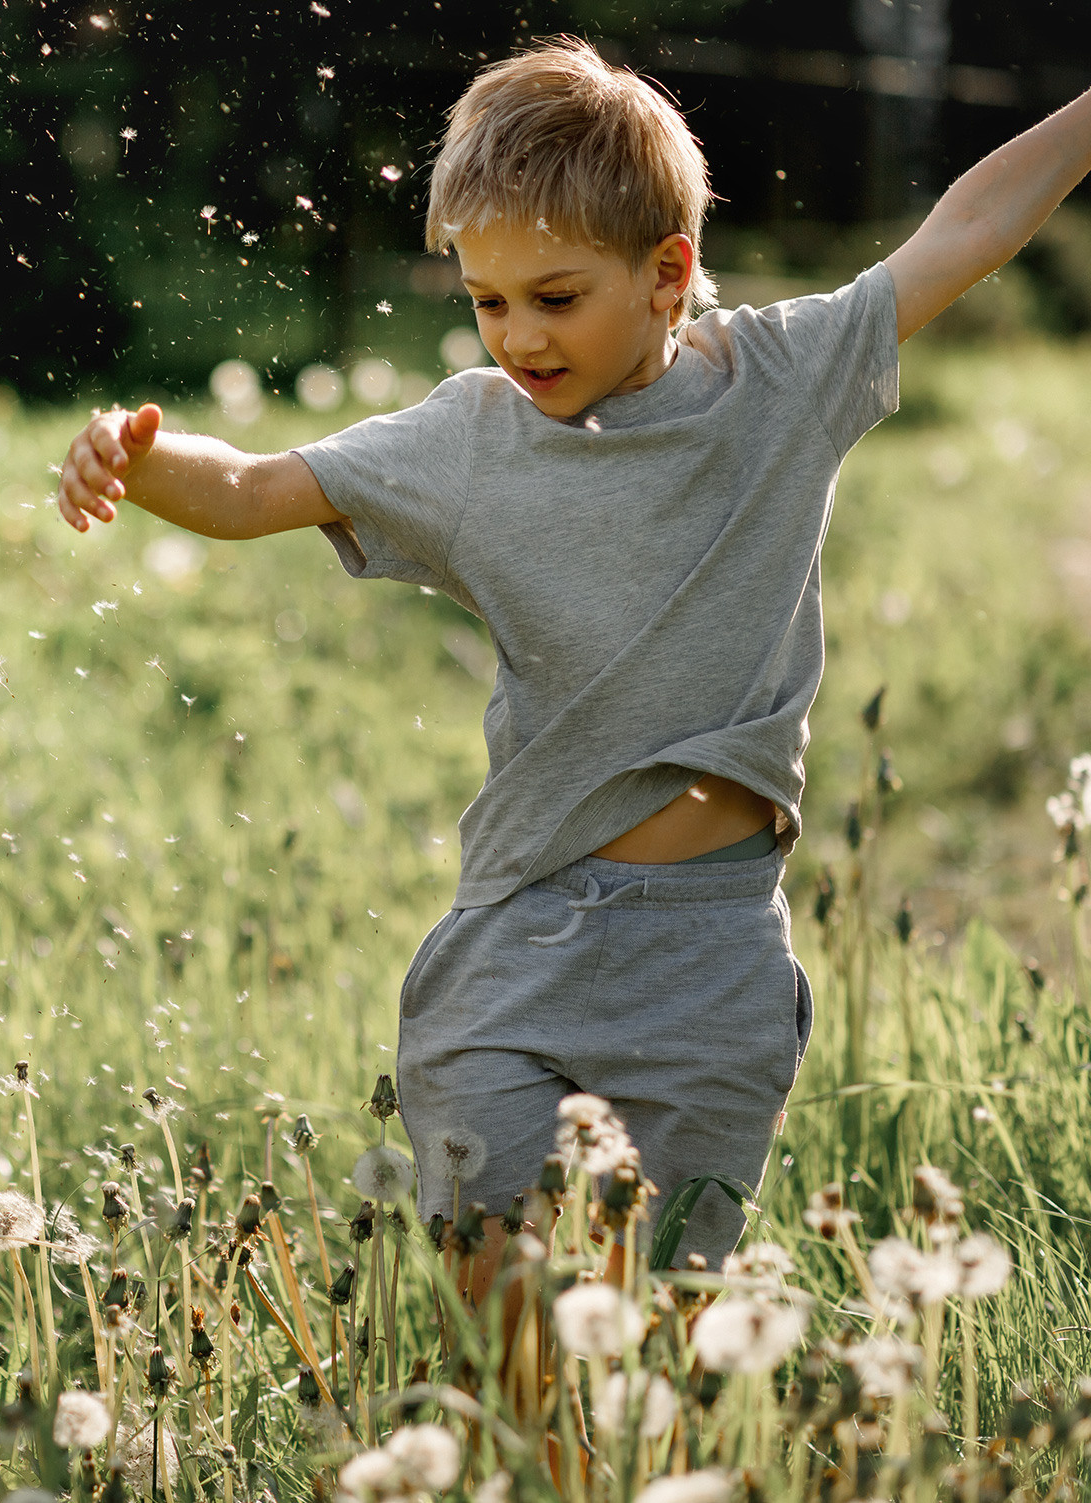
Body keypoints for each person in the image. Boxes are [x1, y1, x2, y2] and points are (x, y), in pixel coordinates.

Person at [55, 39, 1091, 1275]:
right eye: (487, 302)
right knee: (495, 1281)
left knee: (664, 1322)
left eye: (553, 298)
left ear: (667, 275)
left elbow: (964, 228)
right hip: (517, 937)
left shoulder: (781, 380)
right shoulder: (466, 440)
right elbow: (252, 487)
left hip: (707, 960)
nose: (515, 338)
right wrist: (131, 454)